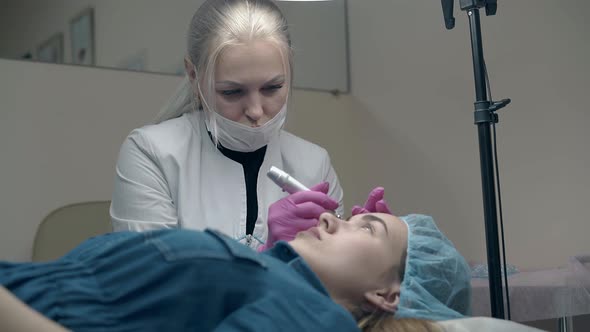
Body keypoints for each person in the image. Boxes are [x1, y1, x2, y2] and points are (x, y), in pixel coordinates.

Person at [110, 0, 348, 250]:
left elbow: (336, 285)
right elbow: (152, 279)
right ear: (193, 75)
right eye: (232, 92)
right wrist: (274, 256)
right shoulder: (152, 153)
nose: (255, 111)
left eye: (273, 87)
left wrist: (382, 251)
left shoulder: (313, 164)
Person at [0, 212, 473, 331]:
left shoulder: (316, 320)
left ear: (387, 295)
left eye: (366, 228)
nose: (331, 217)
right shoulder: (270, 276)